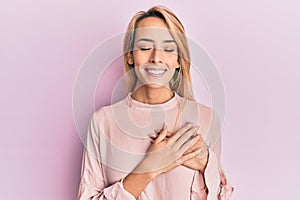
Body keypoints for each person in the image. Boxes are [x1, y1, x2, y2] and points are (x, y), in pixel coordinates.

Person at [78, 6, 233, 200]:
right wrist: (149, 168)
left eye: (168, 49)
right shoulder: (103, 121)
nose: (156, 58)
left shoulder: (207, 118)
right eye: (144, 48)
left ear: (178, 60)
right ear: (130, 56)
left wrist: (206, 163)